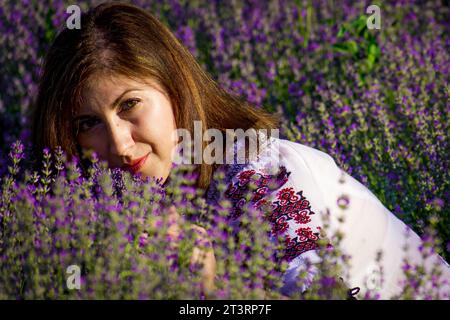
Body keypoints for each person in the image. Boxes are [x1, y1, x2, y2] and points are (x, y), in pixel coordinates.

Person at [31, 2, 449, 299]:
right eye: (88, 124)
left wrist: (215, 290)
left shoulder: (263, 176)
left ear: (175, 89)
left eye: (129, 105)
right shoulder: (118, 204)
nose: (120, 145)